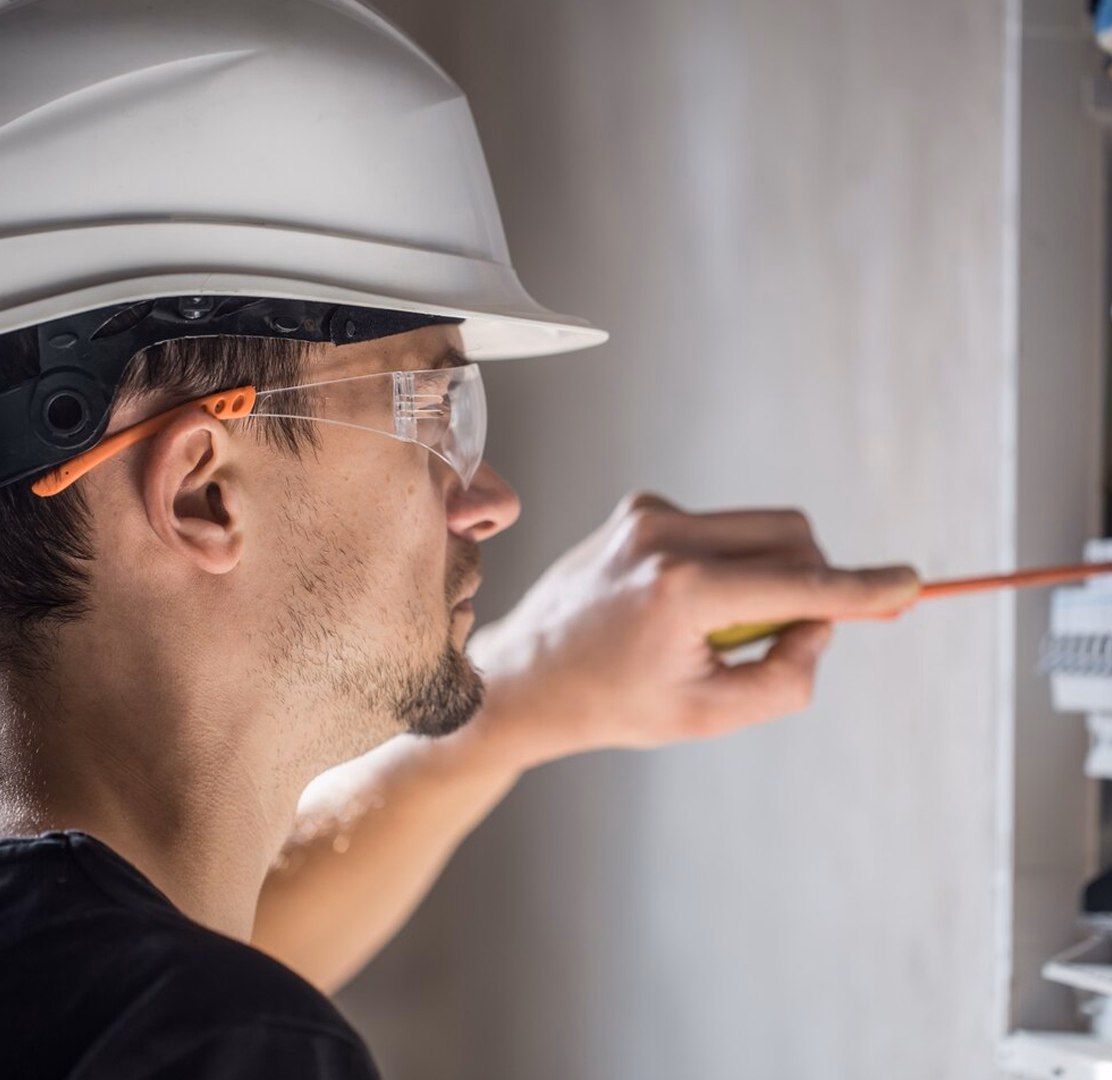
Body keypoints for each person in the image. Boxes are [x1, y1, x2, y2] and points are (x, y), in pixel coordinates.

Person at [0, 0, 920, 1076]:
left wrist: (521, 697)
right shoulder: (212, 1041)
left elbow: (149, 970)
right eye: (434, 411)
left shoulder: (107, 1003)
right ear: (205, 492)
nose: (488, 500)